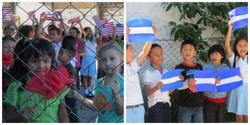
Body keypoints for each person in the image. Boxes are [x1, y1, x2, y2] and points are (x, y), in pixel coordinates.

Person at [3, 38, 70, 122]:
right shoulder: (16, 86)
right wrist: (21, 115)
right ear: (24, 63)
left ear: (51, 61)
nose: (41, 66)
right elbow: (7, 117)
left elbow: (63, 114)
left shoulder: (57, 84)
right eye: (35, 61)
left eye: (46, 61)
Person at [126, 26, 157, 123]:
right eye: (130, 49)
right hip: (126, 110)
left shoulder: (132, 66)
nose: (133, 52)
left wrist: (151, 37)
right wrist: (126, 37)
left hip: (139, 108)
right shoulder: (120, 67)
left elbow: (144, 52)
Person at [142, 43, 176, 122]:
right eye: (156, 55)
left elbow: (169, 92)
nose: (160, 56)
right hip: (155, 106)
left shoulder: (166, 71)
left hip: (167, 104)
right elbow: (147, 92)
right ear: (148, 58)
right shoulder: (147, 73)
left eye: (161, 54)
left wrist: (176, 83)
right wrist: (156, 88)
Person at [91, 43, 124, 122]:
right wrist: (78, 96)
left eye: (112, 59)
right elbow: (95, 106)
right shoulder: (99, 82)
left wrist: (117, 96)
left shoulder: (123, 83)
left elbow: (120, 112)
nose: (107, 63)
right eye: (103, 60)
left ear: (122, 61)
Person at [174, 40, 203, 123]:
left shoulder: (199, 66)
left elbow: (202, 83)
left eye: (190, 49)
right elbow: (177, 86)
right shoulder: (178, 68)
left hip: (198, 104)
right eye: (185, 49)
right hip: (185, 105)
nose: (187, 52)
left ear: (195, 52)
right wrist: (187, 82)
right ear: (181, 52)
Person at [225, 19, 248, 123]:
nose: (242, 48)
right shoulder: (233, 58)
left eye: (245, 45)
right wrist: (230, 28)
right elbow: (226, 46)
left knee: (247, 116)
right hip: (237, 90)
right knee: (239, 116)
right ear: (236, 47)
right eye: (240, 45)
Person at [203, 44, 230, 122]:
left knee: (220, 120)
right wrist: (212, 81)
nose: (214, 56)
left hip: (222, 100)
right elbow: (204, 81)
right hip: (209, 99)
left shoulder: (226, 68)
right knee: (209, 120)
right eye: (211, 54)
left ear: (222, 56)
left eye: (216, 54)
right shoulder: (206, 68)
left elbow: (230, 81)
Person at [80, 27, 101, 98]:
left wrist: (98, 31)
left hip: (92, 59)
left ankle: (89, 88)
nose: (89, 33)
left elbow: (99, 39)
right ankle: (85, 90)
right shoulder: (84, 40)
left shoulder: (94, 40)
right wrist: (84, 34)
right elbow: (83, 39)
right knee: (85, 75)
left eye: (90, 31)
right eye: (87, 32)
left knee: (90, 75)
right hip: (86, 58)